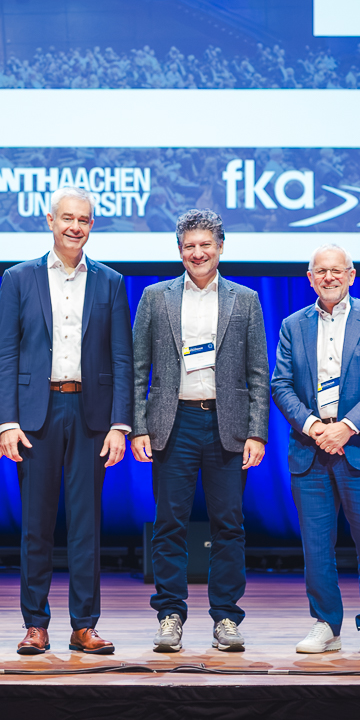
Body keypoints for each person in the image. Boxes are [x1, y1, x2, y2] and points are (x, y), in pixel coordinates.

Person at [0, 186, 133, 655]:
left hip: (91, 415)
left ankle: (84, 625)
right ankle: (35, 624)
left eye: (85, 220)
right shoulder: (18, 278)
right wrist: (6, 421)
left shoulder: (111, 282)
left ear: (92, 226)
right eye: (68, 218)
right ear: (50, 220)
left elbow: (121, 358)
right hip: (36, 416)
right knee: (36, 524)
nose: (76, 226)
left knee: (86, 525)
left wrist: (120, 424)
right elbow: (5, 355)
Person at [130, 209, 268, 653]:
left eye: (206, 244)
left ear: (221, 247)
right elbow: (136, 369)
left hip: (226, 425)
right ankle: (170, 614)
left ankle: (226, 617)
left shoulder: (244, 299)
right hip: (173, 423)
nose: (198, 252)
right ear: (179, 250)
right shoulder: (156, 297)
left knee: (229, 525)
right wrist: (137, 427)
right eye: (189, 245)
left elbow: (259, 373)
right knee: (169, 525)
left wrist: (257, 432)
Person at [271, 244, 360, 655]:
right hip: (311, 449)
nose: (329, 277)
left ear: (351, 275)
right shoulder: (293, 325)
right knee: (316, 546)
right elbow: (281, 384)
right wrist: (313, 428)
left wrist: (345, 428)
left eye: (336, 270)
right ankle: (326, 623)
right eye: (320, 271)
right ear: (310, 278)